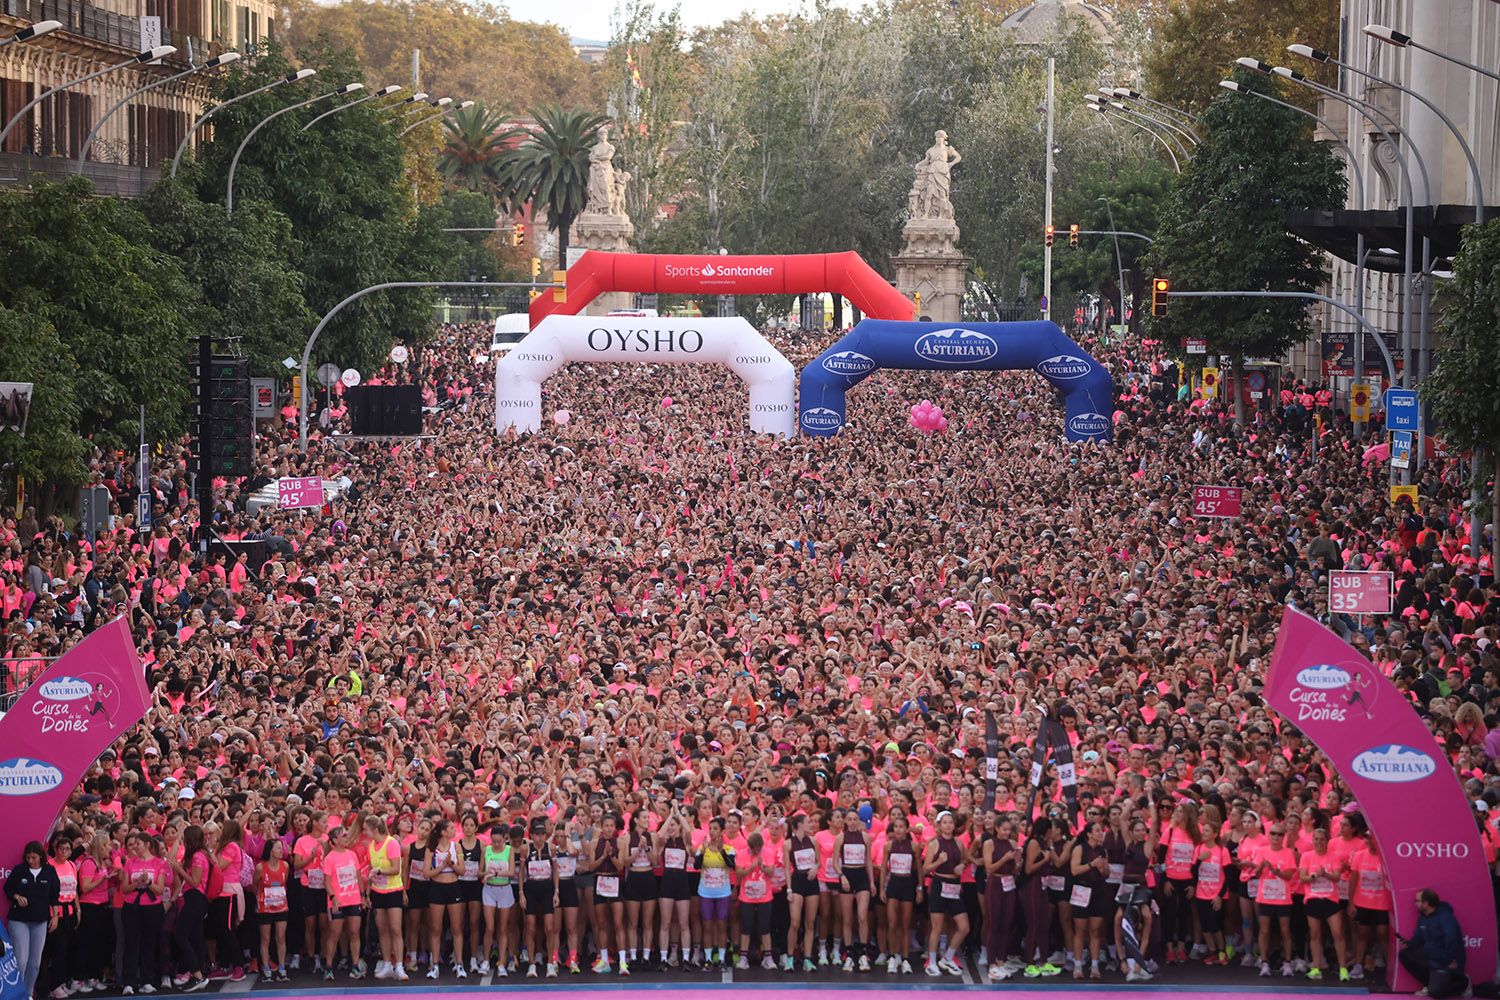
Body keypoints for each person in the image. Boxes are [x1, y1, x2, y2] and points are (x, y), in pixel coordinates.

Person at [7, 840, 59, 1000]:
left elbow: (54, 895)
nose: (30, 860)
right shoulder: (19, 870)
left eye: (34, 858)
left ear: (41, 857)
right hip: (19, 920)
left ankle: (28, 993)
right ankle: (17, 994)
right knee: (21, 959)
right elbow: (8, 888)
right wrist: (17, 896)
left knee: (35, 962)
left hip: (40, 921)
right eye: (28, 857)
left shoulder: (49, 871)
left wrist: (55, 916)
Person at [1398, 889, 1468, 999]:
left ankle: (1464, 983)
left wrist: (1451, 959)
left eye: (1417, 901)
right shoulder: (1423, 916)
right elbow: (1418, 937)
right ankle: (1428, 984)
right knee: (1404, 954)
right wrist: (1408, 944)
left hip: (1444, 960)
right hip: (1430, 957)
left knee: (1436, 993)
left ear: (1425, 903)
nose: (1415, 903)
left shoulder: (1445, 916)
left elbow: (1451, 938)